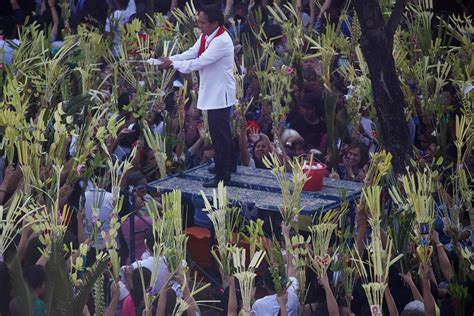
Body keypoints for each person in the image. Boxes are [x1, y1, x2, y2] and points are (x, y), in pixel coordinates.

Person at [159, 4, 236, 188]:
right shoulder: (207, 35)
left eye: (202, 22)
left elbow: (199, 62)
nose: (198, 25)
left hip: (220, 94)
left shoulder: (221, 41)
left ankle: (223, 176)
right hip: (212, 90)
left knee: (220, 136)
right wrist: (173, 58)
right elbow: (192, 52)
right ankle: (227, 165)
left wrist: (173, 65)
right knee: (221, 134)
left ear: (214, 23)